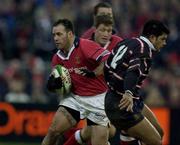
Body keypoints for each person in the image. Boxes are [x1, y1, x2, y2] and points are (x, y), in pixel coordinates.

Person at [42, 18, 111, 145]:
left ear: (70, 34)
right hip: (74, 98)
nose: (55, 38)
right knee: (53, 131)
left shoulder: (85, 45)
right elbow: (63, 84)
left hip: (98, 99)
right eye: (54, 35)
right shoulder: (57, 58)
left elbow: (108, 60)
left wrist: (94, 73)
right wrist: (54, 86)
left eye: (59, 34)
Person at [104, 19, 170, 145]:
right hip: (121, 102)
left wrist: (112, 85)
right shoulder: (143, 50)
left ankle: (126, 135)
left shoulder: (129, 41)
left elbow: (107, 65)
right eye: (162, 39)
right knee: (155, 141)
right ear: (152, 37)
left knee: (159, 132)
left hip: (129, 99)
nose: (165, 43)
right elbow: (132, 72)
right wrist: (127, 92)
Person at [63, 15, 123, 145]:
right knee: (101, 132)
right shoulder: (83, 43)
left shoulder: (117, 43)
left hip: (107, 95)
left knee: (108, 131)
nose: (106, 33)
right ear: (94, 29)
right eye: (102, 30)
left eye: (109, 31)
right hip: (83, 94)